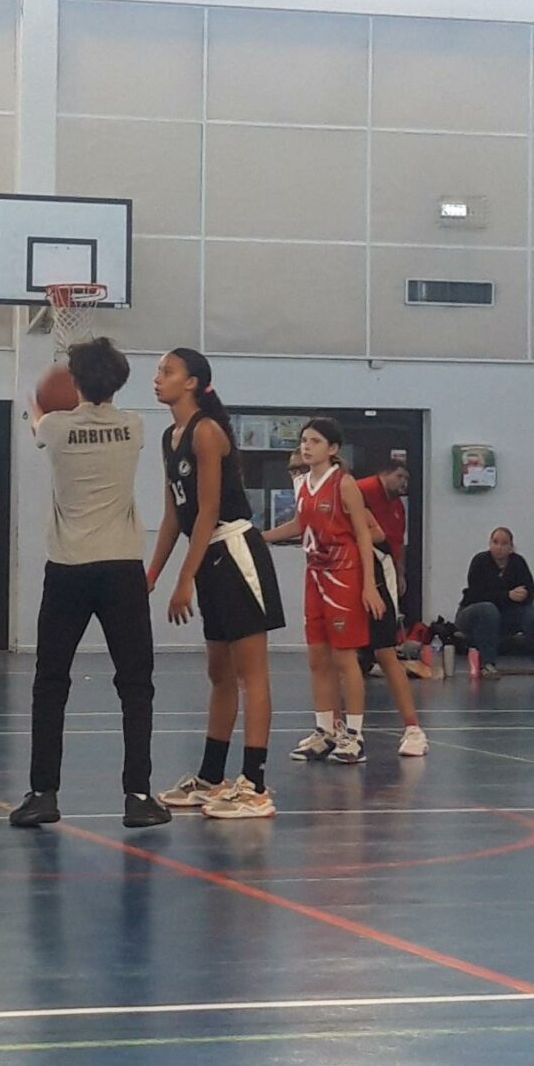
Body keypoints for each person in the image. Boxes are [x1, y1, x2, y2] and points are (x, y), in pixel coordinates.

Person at [10, 337, 168, 830]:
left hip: (68, 568)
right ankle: (138, 795)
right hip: (122, 568)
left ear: (75, 381)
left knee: (50, 681)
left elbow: (38, 419)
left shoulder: (55, 429)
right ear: (119, 382)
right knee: (136, 684)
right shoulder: (135, 426)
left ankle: (43, 793)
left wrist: (39, 398)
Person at [150, 349, 284, 820]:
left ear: (191, 382)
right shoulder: (170, 437)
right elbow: (174, 516)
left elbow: (208, 511)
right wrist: (151, 574)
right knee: (219, 674)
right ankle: (212, 776)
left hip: (235, 549)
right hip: (208, 556)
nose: (157, 378)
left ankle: (256, 785)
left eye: (167, 371)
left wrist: (184, 578)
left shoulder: (206, 431)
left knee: (252, 673)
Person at [265, 416, 384, 766]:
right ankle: (325, 730)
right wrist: (260, 537)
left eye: (315, 441)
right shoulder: (301, 483)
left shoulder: (344, 483)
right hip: (315, 574)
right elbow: (299, 524)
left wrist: (368, 585)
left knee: (345, 658)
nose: (306, 446)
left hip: (344, 574)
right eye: (304, 440)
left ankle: (354, 735)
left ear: (332, 448)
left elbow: (364, 534)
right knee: (317, 657)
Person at [456, 527, 534, 680]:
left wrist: (524, 595)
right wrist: (507, 595)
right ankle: (488, 663)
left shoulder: (518, 562)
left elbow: (530, 590)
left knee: (531, 613)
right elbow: (476, 594)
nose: (499, 547)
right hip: (472, 613)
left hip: (505, 615)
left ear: (511, 547)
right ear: (490, 543)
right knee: (488, 609)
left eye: (504, 543)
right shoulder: (480, 561)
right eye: (495, 542)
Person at [358, 462, 409, 599]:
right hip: (365, 559)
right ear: (384, 473)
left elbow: (399, 542)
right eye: (399, 476)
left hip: (387, 562)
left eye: (406, 479)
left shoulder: (397, 505)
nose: (403, 483)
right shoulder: (365, 488)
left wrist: (400, 574)